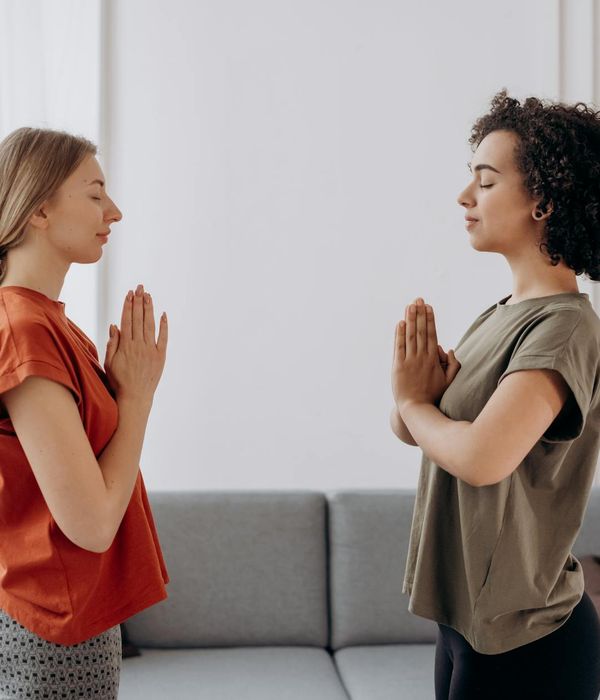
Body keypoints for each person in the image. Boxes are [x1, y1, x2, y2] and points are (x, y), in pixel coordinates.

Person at [390, 89, 600, 699]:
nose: (464, 197)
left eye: (485, 182)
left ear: (544, 201)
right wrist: (412, 399)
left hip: (529, 640)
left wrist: (412, 403)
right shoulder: (503, 314)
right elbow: (424, 430)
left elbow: (482, 457)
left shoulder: (563, 328)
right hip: (466, 624)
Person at [0, 127, 170, 698]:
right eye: (95, 193)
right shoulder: (25, 330)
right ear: (39, 208)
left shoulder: (53, 325)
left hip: (72, 616)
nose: (114, 211)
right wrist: (138, 398)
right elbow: (93, 525)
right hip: (52, 626)